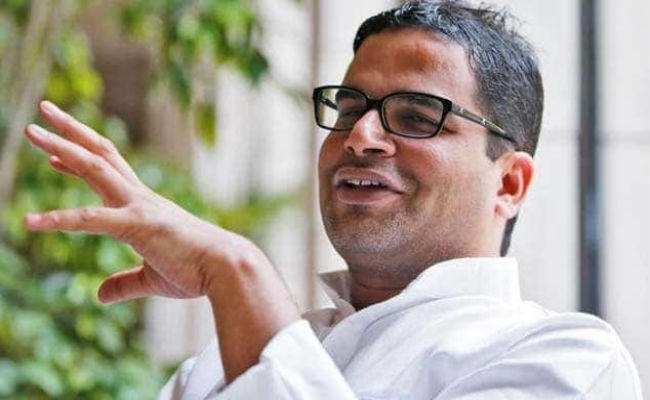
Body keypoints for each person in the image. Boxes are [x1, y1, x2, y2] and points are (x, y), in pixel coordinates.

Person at [23, 1, 643, 398]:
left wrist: (238, 272)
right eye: (348, 110)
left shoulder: (567, 359)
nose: (361, 136)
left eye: (416, 115)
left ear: (508, 184)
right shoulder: (215, 366)